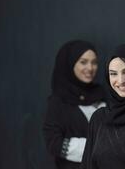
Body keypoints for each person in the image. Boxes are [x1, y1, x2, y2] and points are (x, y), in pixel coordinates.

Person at [43, 40, 106, 169]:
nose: (90, 68)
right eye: (83, 62)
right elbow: (54, 143)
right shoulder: (58, 102)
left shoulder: (103, 95)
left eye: (94, 62)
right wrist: (99, 147)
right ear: (70, 64)